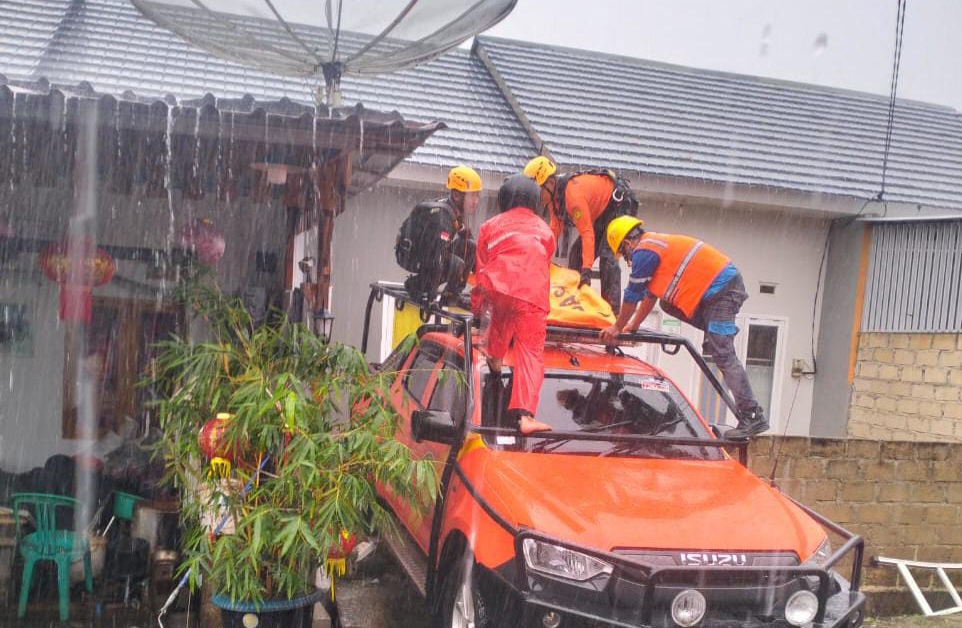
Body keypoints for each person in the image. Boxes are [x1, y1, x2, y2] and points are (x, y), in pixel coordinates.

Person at [600, 216, 768, 439]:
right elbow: (650, 295)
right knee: (667, 303)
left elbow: (632, 296)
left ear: (627, 244)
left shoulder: (644, 251)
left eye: (624, 255)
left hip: (721, 291)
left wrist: (616, 327)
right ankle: (716, 333)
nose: (628, 261)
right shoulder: (654, 247)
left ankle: (752, 415)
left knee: (723, 354)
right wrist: (632, 326)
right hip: (717, 290)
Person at [473, 174, 556, 434]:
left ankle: (495, 359)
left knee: (501, 314)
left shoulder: (489, 226)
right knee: (530, 351)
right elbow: (544, 263)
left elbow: (481, 269)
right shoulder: (545, 230)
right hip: (531, 296)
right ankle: (525, 416)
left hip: (498, 289)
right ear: (534, 200)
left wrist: (476, 311)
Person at [523, 156, 638, 310]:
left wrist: (586, 270)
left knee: (607, 256)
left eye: (539, 191)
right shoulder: (554, 198)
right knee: (575, 254)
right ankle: (574, 302)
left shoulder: (573, 196)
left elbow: (587, 233)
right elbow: (554, 229)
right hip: (601, 213)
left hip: (619, 204)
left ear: (550, 183)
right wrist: (539, 258)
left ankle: (612, 311)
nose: (537, 197)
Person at [394, 165, 482, 301]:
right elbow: (436, 260)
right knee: (455, 264)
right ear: (457, 195)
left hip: (430, 251)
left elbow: (467, 237)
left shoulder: (454, 211)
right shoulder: (443, 219)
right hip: (411, 256)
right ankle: (417, 285)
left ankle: (451, 294)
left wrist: (482, 274)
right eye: (472, 195)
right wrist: (431, 299)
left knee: (470, 246)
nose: (475, 201)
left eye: (477, 195)